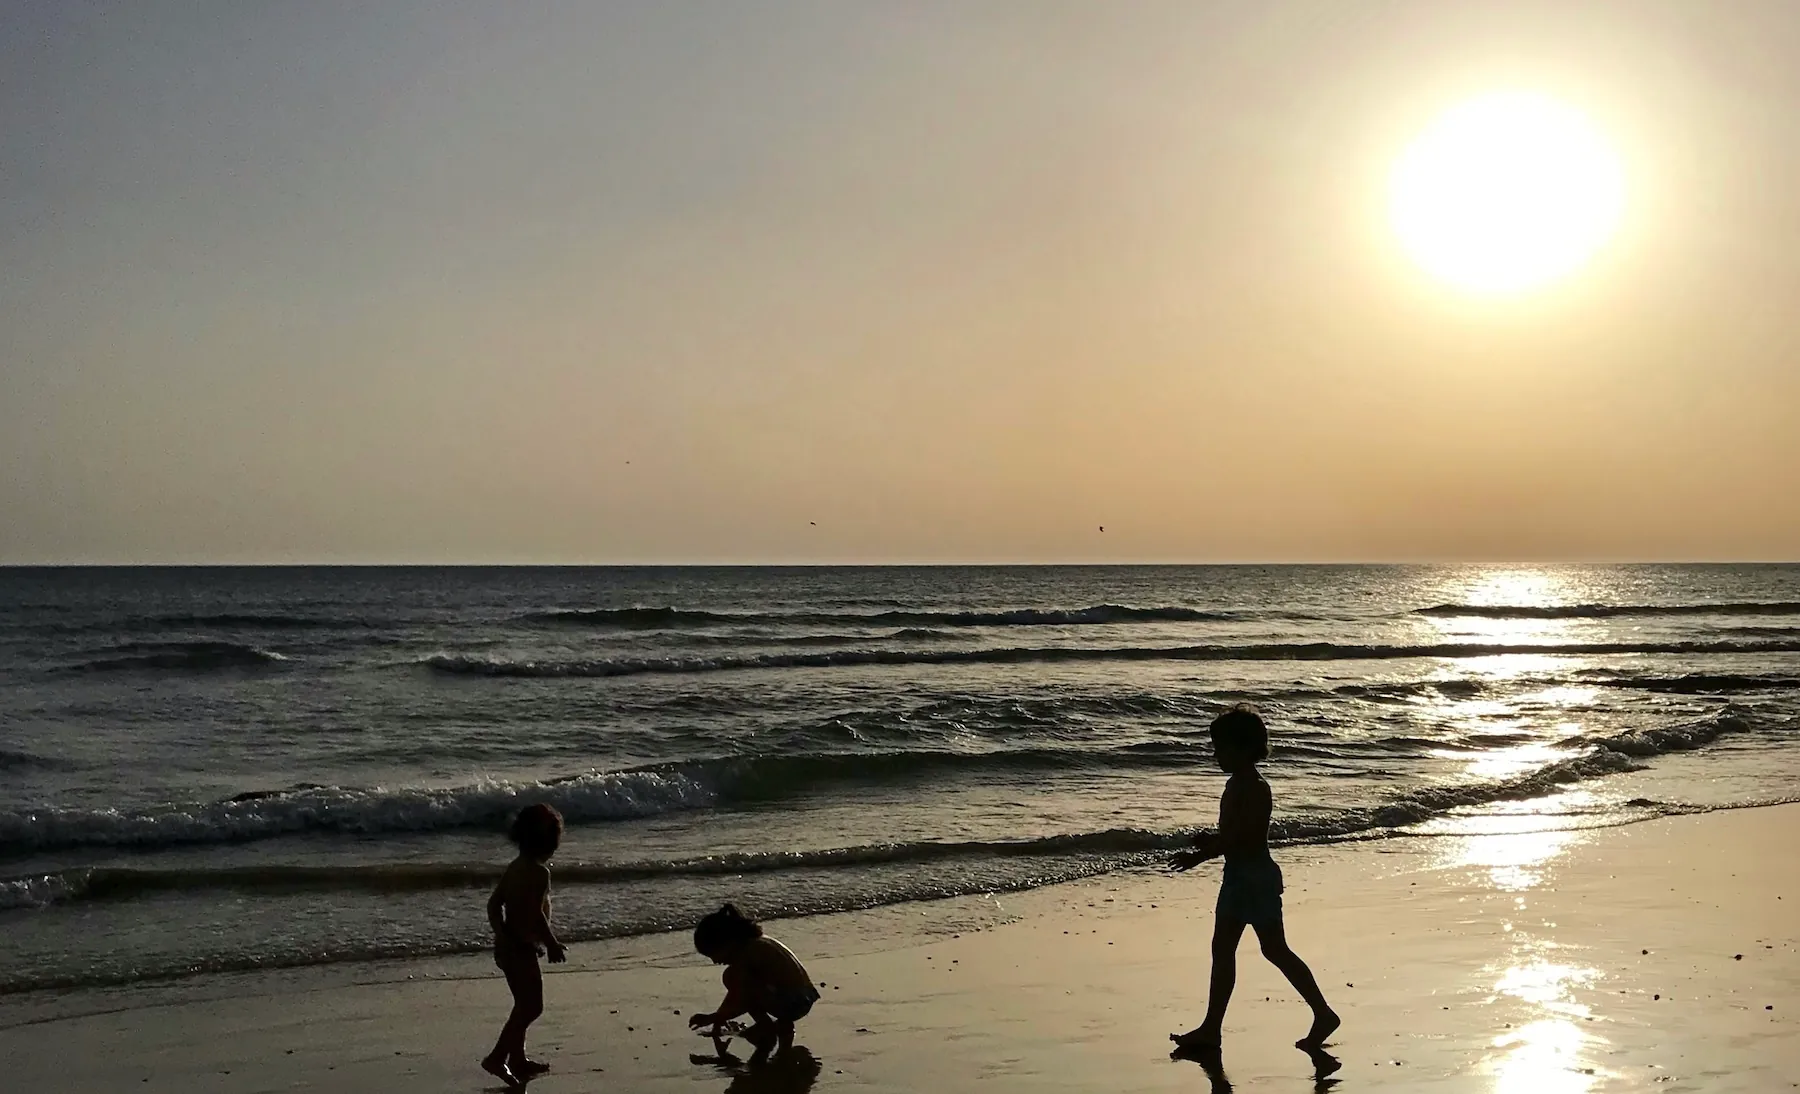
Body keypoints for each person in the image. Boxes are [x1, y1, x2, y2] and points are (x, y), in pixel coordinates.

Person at [1170, 706, 1339, 1053]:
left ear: (1244, 749)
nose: (1216, 755)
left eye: (1222, 748)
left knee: (1269, 950)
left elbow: (1240, 838)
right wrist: (1209, 841)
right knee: (1233, 949)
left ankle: (1321, 1012)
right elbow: (1233, 834)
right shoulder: (1240, 784)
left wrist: (1200, 855)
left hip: (1253, 880)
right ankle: (1212, 1028)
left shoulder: (1254, 788)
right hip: (1240, 877)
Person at [482, 803, 568, 1087]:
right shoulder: (539, 874)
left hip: (508, 947)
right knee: (532, 1007)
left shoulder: (514, 868)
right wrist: (552, 943)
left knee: (521, 1005)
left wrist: (500, 933)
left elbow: (493, 905)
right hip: (521, 949)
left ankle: (518, 1059)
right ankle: (498, 1057)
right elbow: (535, 913)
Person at [687, 904, 820, 1063]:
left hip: (792, 1002)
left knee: (730, 976)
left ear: (729, 942)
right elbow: (737, 993)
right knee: (734, 977)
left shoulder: (749, 953)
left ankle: (767, 1027)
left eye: (714, 954)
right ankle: (779, 1024)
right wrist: (719, 1018)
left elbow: (742, 997)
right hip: (803, 998)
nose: (715, 961)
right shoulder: (759, 943)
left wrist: (713, 1018)